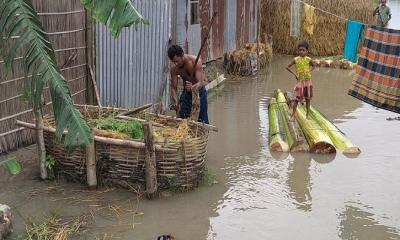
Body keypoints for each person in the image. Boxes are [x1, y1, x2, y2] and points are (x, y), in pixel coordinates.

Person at [168, 45, 209, 124]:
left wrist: (193, 87)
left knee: (201, 120)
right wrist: (176, 103)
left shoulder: (195, 61)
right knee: (182, 115)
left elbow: (201, 82)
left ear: (182, 55)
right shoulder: (174, 69)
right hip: (186, 93)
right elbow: (173, 88)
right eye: (173, 62)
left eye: (177, 61)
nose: (175, 64)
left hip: (199, 92)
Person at [286, 41, 315, 120]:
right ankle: (293, 115)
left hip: (308, 82)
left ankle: (307, 115)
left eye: (303, 50)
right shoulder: (296, 59)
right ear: (298, 51)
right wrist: (295, 74)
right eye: (300, 50)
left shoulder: (309, 59)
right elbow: (287, 67)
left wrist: (309, 71)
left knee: (308, 99)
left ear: (307, 51)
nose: (301, 52)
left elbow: (313, 66)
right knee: (297, 99)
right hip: (300, 82)